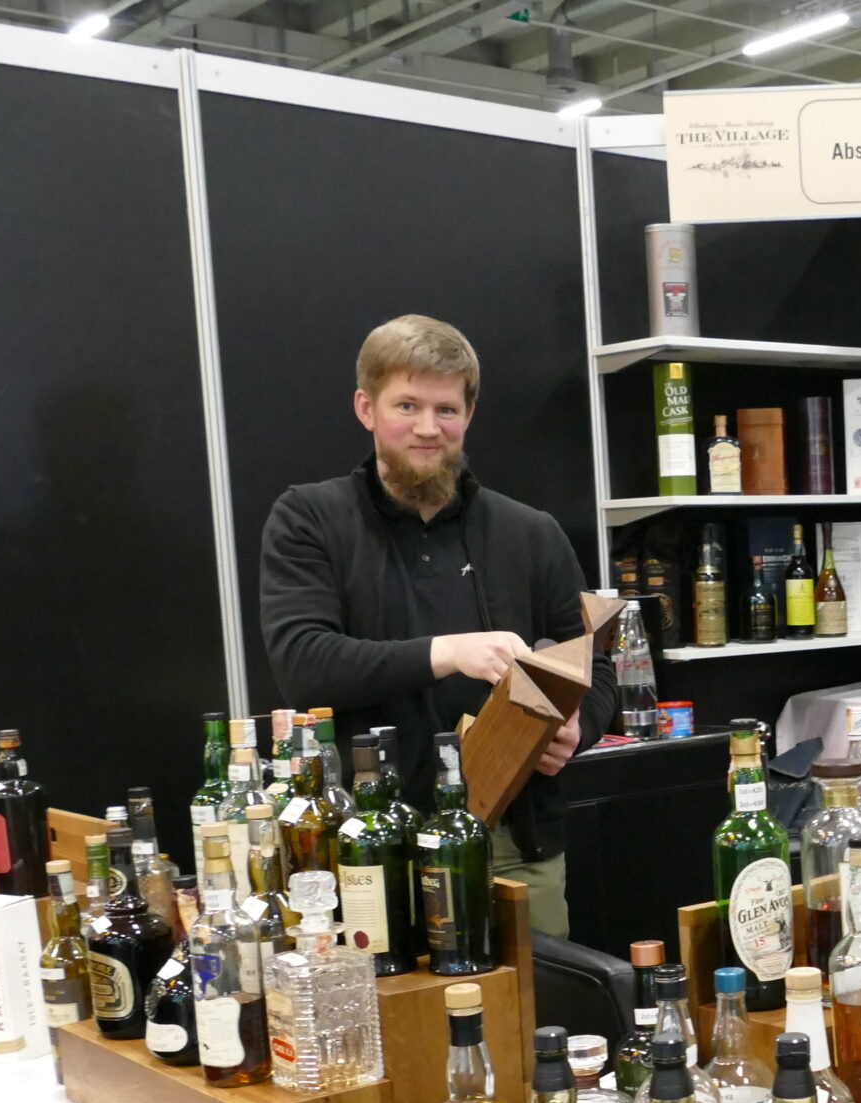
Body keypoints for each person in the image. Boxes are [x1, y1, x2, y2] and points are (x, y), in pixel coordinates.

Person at [259, 315, 612, 937]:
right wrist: (447, 652)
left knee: (535, 997)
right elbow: (303, 665)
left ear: (468, 414)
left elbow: (597, 665)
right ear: (366, 409)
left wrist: (579, 728)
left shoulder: (532, 533)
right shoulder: (309, 519)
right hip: (372, 846)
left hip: (514, 845)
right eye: (407, 405)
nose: (428, 427)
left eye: (446, 409)